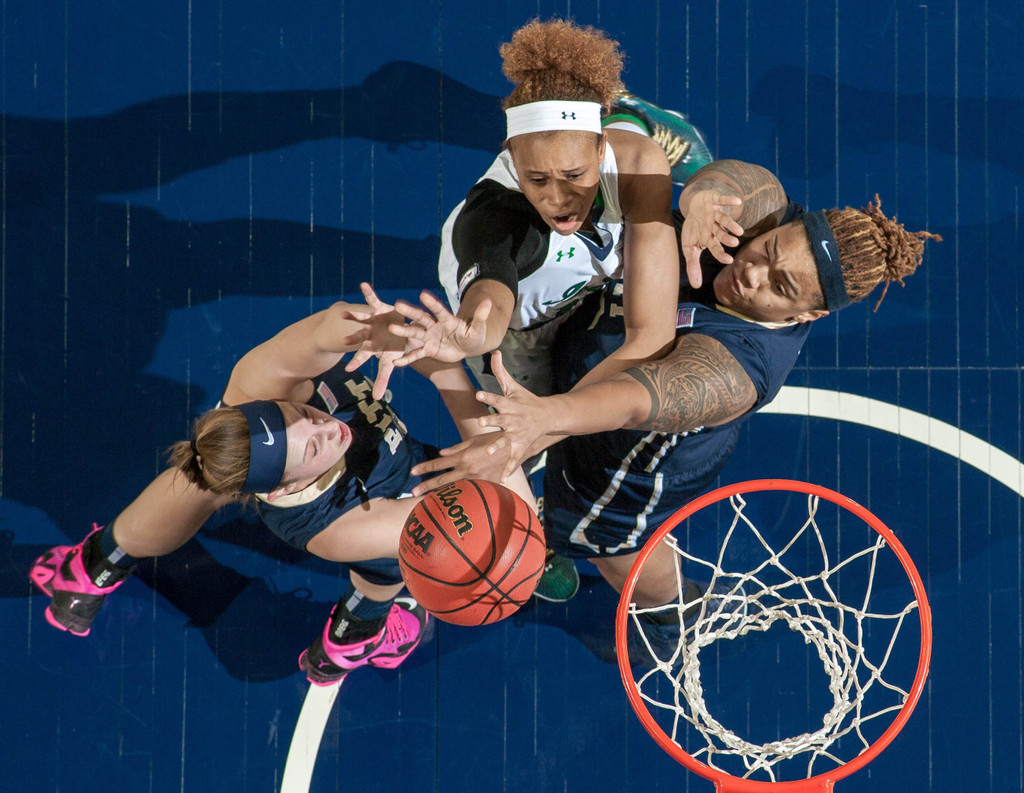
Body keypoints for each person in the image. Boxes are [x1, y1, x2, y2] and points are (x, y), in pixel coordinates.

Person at [403, 158, 941, 644]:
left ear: (806, 316)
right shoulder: (765, 207)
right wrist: (698, 196)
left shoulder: (739, 371)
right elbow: (727, 181)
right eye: (770, 250)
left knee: (616, 551)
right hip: (594, 344)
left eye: (780, 286)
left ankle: (672, 610)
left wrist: (544, 419)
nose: (752, 273)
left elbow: (639, 398)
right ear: (782, 226)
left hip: (628, 459)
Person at [346, 18, 711, 602]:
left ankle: (631, 118)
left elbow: (651, 334)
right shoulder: (495, 222)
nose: (558, 198)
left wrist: (558, 416)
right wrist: (467, 339)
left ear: (602, 146)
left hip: (599, 283)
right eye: (537, 177)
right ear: (512, 156)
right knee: (510, 435)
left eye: (573, 175)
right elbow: (490, 303)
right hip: (520, 331)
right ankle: (507, 544)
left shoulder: (637, 160)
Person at [29, 295, 536, 687]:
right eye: (313, 450)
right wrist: (459, 383)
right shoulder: (331, 530)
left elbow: (337, 322)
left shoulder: (261, 380)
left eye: (306, 416)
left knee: (206, 469)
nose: (328, 430)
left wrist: (389, 330)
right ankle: (355, 634)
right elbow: (503, 513)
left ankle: (93, 565)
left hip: (294, 456)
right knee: (399, 560)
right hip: (381, 509)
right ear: (290, 484)